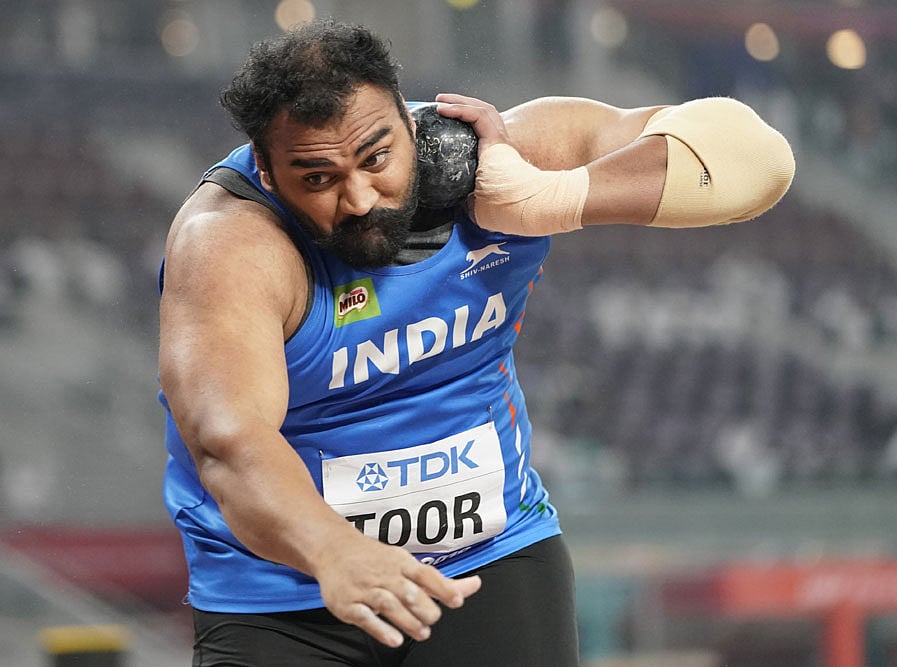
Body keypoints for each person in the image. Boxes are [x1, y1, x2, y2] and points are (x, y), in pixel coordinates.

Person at [157, 18, 794, 667]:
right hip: (283, 597)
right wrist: (334, 550)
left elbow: (760, 160)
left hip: (488, 559)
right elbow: (230, 444)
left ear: (410, 123)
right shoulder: (229, 245)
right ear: (268, 174)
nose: (359, 198)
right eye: (318, 179)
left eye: (377, 158)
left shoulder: (503, 153)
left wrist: (553, 196)